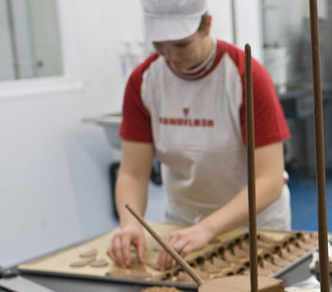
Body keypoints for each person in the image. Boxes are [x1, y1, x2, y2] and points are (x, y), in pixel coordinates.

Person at [108, 0, 291, 270]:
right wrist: (130, 223)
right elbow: (133, 173)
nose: (171, 56)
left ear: (206, 25)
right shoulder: (144, 81)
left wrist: (207, 229)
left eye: (181, 44)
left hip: (253, 224)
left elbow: (270, 180)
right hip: (184, 222)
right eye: (160, 45)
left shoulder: (243, 75)